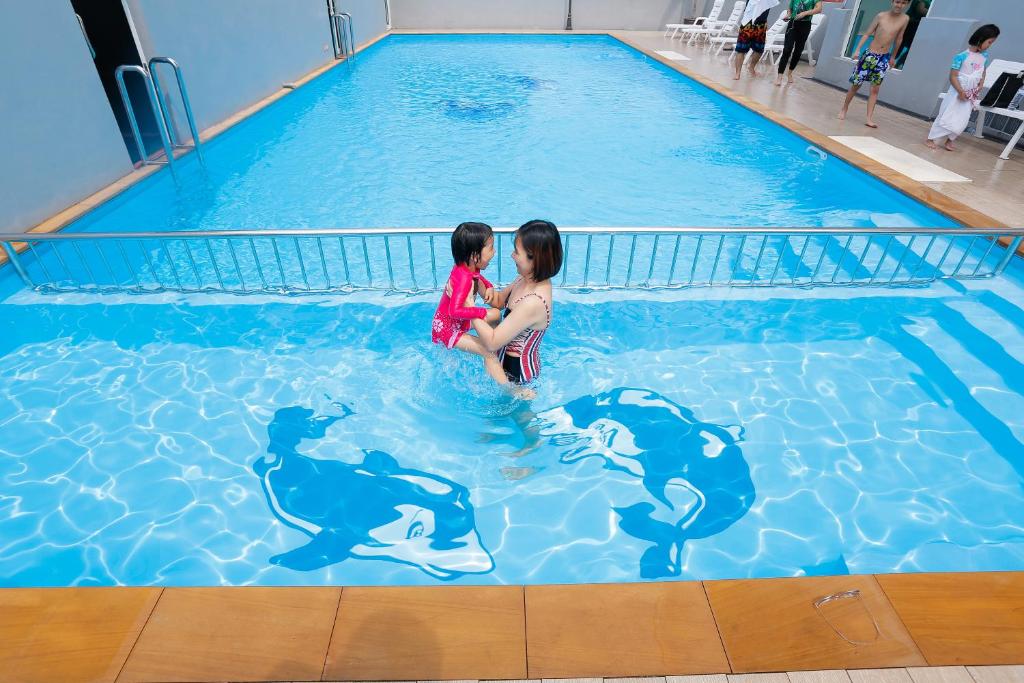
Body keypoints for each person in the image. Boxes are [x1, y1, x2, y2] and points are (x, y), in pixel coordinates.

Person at [471, 220, 562, 390]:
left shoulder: (534, 302)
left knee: (518, 416)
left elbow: (492, 343)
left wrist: (468, 308)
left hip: (519, 376)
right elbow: (498, 302)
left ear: (535, 259)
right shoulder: (524, 279)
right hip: (502, 361)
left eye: (516, 252)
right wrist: (473, 279)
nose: (512, 256)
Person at [431, 221, 505, 383]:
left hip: (457, 322)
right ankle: (510, 390)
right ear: (474, 255)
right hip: (447, 330)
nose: (494, 252)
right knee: (488, 352)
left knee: (496, 314)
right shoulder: (464, 279)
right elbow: (454, 311)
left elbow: (478, 277)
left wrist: (490, 286)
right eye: (491, 248)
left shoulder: (467, 267)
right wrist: (480, 311)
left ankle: (495, 344)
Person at [926, 24, 1000, 151]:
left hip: (970, 94)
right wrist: (960, 91)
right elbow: (953, 76)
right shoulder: (961, 56)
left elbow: (982, 72)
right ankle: (931, 138)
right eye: (989, 42)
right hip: (957, 91)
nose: (990, 45)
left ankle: (950, 140)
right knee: (946, 113)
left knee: (963, 117)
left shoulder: (985, 57)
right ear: (980, 39)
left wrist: (980, 84)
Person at [838, 0, 910, 128]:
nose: (899, 5)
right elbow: (867, 33)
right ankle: (844, 108)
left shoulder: (905, 19)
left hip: (884, 58)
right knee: (856, 85)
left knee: (875, 89)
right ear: (892, 2)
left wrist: (893, 57)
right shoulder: (881, 16)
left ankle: (869, 119)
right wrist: (857, 49)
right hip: (870, 55)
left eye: (903, 3)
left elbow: (899, 38)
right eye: (897, 2)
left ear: (907, 4)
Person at [774, 0, 823, 86]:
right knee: (787, 49)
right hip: (793, 24)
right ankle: (779, 76)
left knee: (798, 51)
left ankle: (789, 73)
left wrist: (805, 13)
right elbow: (790, 8)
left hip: (805, 26)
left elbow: (819, 9)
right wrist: (788, 15)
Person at [734, 0, 779, 80]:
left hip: (761, 24)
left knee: (759, 49)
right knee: (740, 49)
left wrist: (766, 22)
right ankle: (737, 73)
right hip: (748, 23)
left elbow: (765, 7)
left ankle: (751, 67)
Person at [894, 0, 930, 69]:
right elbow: (920, 10)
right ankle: (890, 64)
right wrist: (935, 13)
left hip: (917, 27)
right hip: (910, 25)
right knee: (900, 46)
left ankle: (897, 65)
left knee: (912, 49)